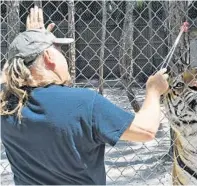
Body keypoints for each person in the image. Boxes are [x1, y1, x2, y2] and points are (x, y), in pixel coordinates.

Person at [0, 6, 169, 185]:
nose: (63, 55)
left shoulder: (7, 104)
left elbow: (7, 72)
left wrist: (27, 42)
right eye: (59, 49)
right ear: (49, 57)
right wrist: (153, 90)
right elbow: (146, 130)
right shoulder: (84, 103)